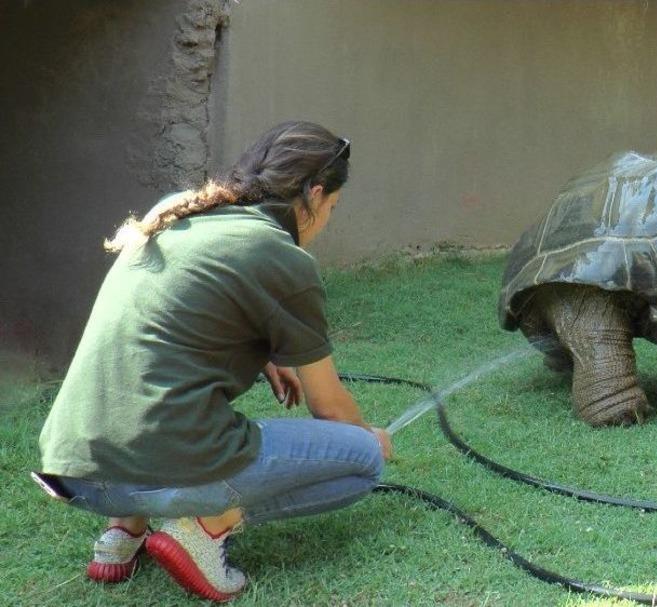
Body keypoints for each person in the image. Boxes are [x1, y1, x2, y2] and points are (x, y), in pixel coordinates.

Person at [36, 121, 392, 602]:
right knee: (362, 460)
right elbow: (328, 407)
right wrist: (369, 434)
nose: (328, 219)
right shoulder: (281, 255)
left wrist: (265, 358)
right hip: (158, 470)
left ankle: (124, 533)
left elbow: (168, 325)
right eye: (332, 206)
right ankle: (206, 527)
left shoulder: (173, 212)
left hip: (76, 470)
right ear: (314, 192)